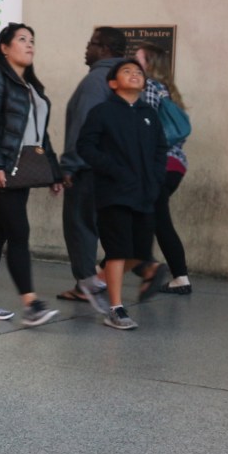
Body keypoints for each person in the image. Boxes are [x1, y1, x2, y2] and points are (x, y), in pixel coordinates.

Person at [0, 22, 63, 326]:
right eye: (22, 39)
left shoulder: (33, 87)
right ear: (5, 47)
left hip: (19, 170)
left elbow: (39, 136)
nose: (29, 44)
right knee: (19, 231)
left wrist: (54, 172)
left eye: (32, 40)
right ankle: (31, 303)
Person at [76, 59, 168, 330]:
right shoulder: (102, 112)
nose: (134, 74)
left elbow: (160, 150)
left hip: (144, 193)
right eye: (127, 71)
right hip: (113, 191)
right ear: (113, 83)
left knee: (139, 251)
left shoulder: (149, 113)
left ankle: (95, 282)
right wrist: (113, 170)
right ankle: (115, 309)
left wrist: (155, 179)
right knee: (117, 250)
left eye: (138, 72)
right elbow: (86, 146)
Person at [57, 25, 129, 312]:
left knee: (80, 225)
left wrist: (69, 166)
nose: (86, 48)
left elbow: (82, 128)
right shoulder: (129, 79)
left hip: (88, 169)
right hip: (117, 170)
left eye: (92, 43)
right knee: (108, 225)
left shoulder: (95, 81)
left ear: (105, 49)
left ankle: (86, 281)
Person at [135, 42, 192, 296]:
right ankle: (174, 275)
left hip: (159, 164)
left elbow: (145, 126)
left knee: (156, 220)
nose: (133, 67)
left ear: (149, 64)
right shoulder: (170, 91)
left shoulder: (149, 87)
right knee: (156, 219)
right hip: (176, 164)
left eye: (138, 61)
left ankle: (153, 268)